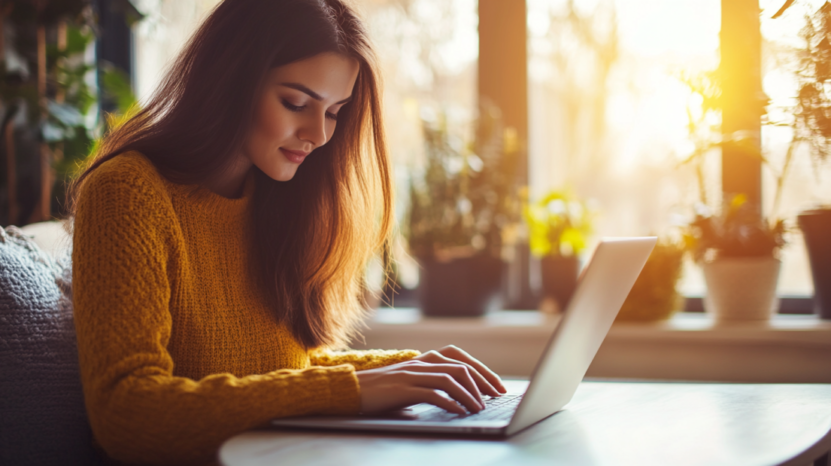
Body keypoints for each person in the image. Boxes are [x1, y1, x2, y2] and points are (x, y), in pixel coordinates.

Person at [65, 0, 506, 464]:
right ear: (231, 79)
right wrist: (357, 387)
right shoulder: (127, 194)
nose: (318, 134)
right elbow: (126, 412)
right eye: (296, 103)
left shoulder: (277, 203)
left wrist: (414, 371)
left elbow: (280, 373)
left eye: (335, 111)